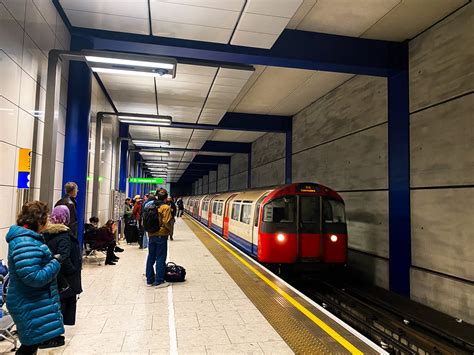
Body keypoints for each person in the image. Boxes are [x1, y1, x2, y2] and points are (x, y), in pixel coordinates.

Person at [5, 201, 64, 354]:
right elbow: (34, 277)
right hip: (27, 301)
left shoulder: (28, 239)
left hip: (31, 300)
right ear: (39, 220)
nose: (48, 221)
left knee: (32, 344)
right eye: (46, 217)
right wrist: (55, 263)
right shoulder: (25, 243)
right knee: (29, 346)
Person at [43, 206, 82, 329]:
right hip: (66, 279)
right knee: (64, 305)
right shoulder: (63, 236)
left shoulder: (47, 234)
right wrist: (73, 270)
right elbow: (63, 258)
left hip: (55, 276)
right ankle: (56, 330)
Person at [144, 189, 172, 288]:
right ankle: (159, 281)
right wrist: (169, 231)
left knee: (151, 256)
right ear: (165, 198)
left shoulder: (149, 205)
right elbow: (166, 222)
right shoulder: (165, 207)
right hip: (161, 235)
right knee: (160, 257)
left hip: (151, 234)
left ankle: (149, 280)